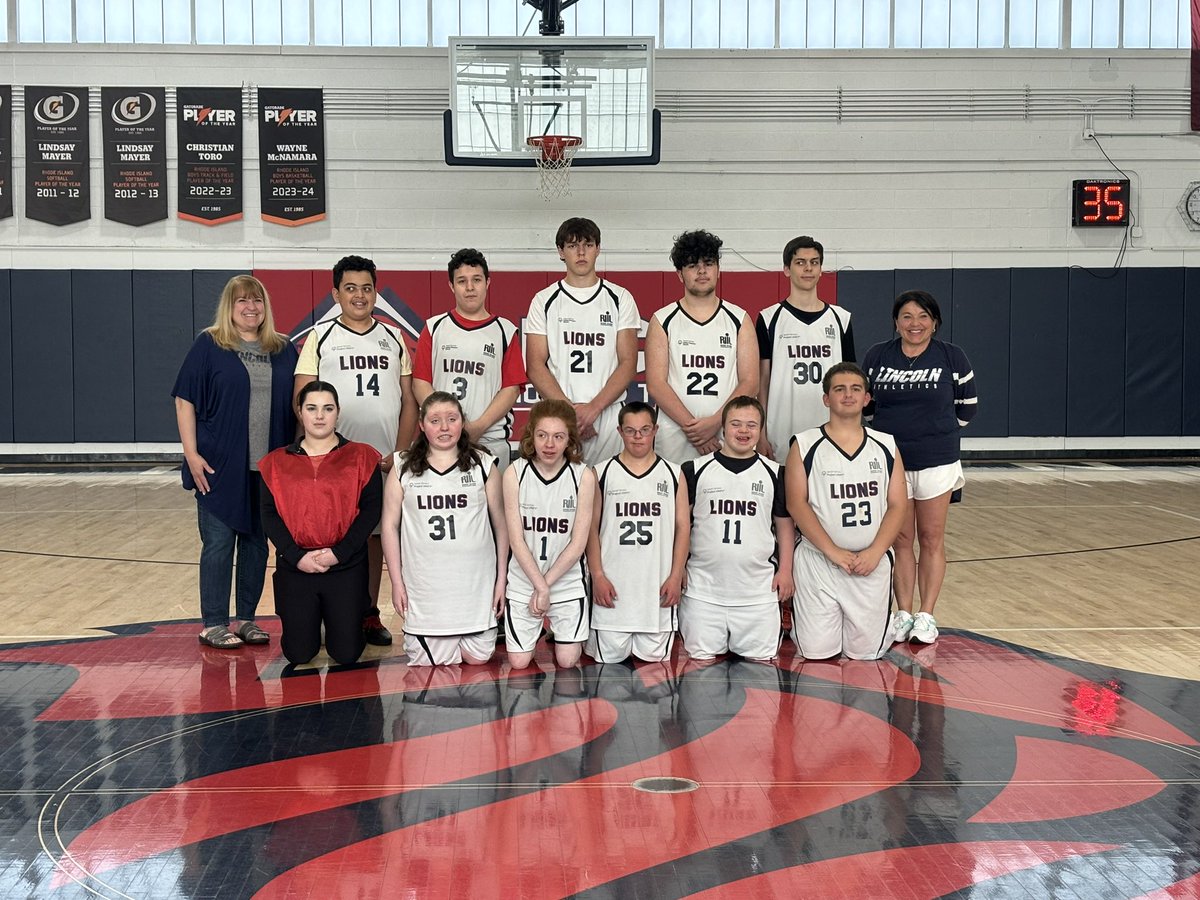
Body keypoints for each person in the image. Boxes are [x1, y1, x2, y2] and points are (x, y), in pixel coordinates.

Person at [294, 254, 417, 647]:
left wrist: (399, 453)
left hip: (381, 462)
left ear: (375, 293)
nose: (359, 296)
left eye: (367, 288)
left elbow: (410, 401)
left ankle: (367, 613)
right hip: (334, 462)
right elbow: (302, 396)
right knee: (333, 536)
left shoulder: (394, 337)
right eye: (350, 288)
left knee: (376, 537)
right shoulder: (321, 336)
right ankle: (332, 612)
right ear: (335, 293)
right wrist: (319, 452)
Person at [173, 274, 298, 650]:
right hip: (218, 466)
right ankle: (213, 622)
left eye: (257, 301)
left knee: (257, 544)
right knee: (219, 543)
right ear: (230, 306)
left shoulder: (283, 348)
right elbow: (184, 400)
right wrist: (191, 454)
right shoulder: (210, 344)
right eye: (242, 301)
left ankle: (246, 619)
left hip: (268, 468)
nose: (250, 307)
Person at [861, 290, 977, 644]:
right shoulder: (878, 355)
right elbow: (867, 406)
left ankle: (927, 615)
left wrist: (933, 435)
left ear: (935, 322)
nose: (915, 324)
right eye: (908, 316)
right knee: (900, 540)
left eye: (923, 316)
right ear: (896, 322)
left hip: (936, 462)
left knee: (930, 538)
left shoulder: (952, 357)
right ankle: (903, 613)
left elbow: (967, 408)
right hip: (890, 464)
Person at [785, 363, 909, 660]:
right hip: (820, 563)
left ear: (867, 398)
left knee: (865, 655)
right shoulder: (804, 444)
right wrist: (832, 552)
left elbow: (898, 505)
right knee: (814, 653)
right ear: (826, 398)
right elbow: (796, 504)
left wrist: (876, 551)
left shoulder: (886, 445)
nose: (848, 395)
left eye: (856, 389)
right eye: (839, 389)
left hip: (870, 562)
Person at [381, 392, 509, 666]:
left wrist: (501, 580)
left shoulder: (483, 464)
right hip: (426, 586)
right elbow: (390, 527)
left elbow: (501, 525)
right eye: (435, 420)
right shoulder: (402, 465)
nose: (444, 428)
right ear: (422, 425)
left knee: (478, 658)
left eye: (452, 419)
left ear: (462, 423)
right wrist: (396, 581)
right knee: (434, 663)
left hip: (475, 587)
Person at [259, 382, 382, 666]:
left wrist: (339, 552)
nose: (319, 416)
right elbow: (268, 514)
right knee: (299, 654)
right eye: (311, 408)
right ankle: (313, 620)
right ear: (300, 413)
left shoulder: (362, 456)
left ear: (338, 413)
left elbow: (371, 510)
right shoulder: (275, 462)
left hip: (345, 564)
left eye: (328, 409)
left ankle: (339, 621)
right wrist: (295, 555)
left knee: (347, 653)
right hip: (297, 566)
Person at [680, 396, 795, 662]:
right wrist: (678, 570)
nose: (744, 431)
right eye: (736, 424)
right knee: (700, 667)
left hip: (757, 593)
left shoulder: (776, 472)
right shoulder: (693, 470)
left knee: (761, 672)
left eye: (751, 425)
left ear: (761, 429)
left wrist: (786, 570)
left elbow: (784, 527)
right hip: (703, 592)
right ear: (723, 427)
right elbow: (680, 527)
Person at [524, 217, 640, 464]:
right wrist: (570, 415)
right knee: (561, 495)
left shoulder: (620, 298)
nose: (580, 252)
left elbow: (629, 362)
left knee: (605, 494)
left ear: (598, 249)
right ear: (560, 252)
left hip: (607, 415)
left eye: (587, 244)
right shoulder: (543, 301)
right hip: (558, 416)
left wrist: (593, 409)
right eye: (572, 245)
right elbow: (535, 365)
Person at [585, 402, 689, 664]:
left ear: (655, 430)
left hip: (656, 594)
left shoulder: (673, 473)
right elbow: (591, 529)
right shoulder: (602, 471)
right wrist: (597, 575)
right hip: (612, 591)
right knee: (606, 667)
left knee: (655, 667)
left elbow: (682, 528)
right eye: (630, 431)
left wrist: (676, 575)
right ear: (619, 431)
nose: (638, 437)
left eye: (644, 430)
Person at [645, 229, 758, 462]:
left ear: (718, 269)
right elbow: (656, 384)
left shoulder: (739, 319)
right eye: (692, 265)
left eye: (708, 263)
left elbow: (750, 382)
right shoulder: (662, 320)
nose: (702, 271)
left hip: (726, 434)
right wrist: (695, 430)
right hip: (675, 436)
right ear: (680, 274)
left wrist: (716, 422)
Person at [503, 399, 596, 668]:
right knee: (519, 662)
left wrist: (548, 585)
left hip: (566, 582)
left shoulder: (583, 476)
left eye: (558, 437)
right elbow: (516, 540)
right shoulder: (515, 473)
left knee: (567, 662)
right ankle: (533, 635)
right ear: (531, 434)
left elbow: (578, 544)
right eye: (542, 435)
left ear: (570, 440)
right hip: (524, 581)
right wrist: (539, 586)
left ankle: (556, 632)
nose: (549, 444)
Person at [413, 248, 525, 469]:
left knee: (493, 504)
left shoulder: (504, 330)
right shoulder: (434, 327)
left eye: (477, 280)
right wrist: (445, 424)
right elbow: (420, 382)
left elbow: (511, 388)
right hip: (440, 442)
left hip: (488, 440)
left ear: (488, 283)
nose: (470, 287)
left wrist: (479, 426)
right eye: (462, 281)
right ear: (452, 286)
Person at [756, 236, 855, 461]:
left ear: (821, 269)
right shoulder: (769, 318)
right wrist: (761, 432)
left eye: (814, 262)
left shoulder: (841, 319)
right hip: (781, 431)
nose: (808, 268)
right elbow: (763, 380)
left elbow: (850, 382)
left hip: (831, 429)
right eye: (800, 262)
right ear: (786, 270)